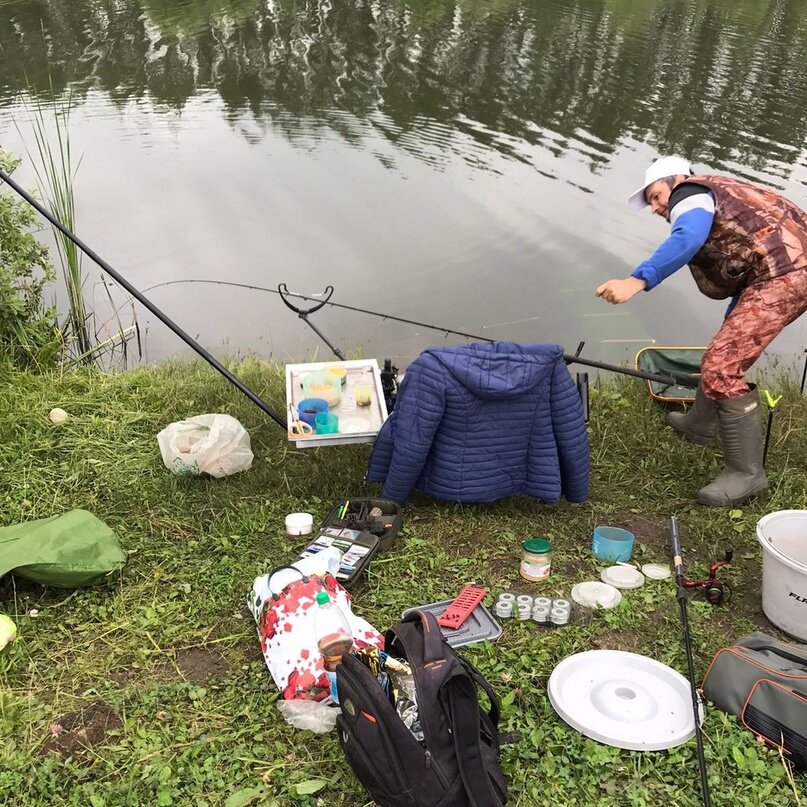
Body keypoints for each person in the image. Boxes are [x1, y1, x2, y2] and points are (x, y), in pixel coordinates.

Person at [596, 156, 807, 506]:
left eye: (655, 196)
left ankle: (746, 474)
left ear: (674, 180)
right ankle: (700, 426)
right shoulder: (725, 192)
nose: (656, 207)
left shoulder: (690, 191)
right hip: (784, 272)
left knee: (722, 366)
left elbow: (688, 236)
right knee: (722, 354)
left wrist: (637, 280)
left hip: (785, 276)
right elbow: (752, 256)